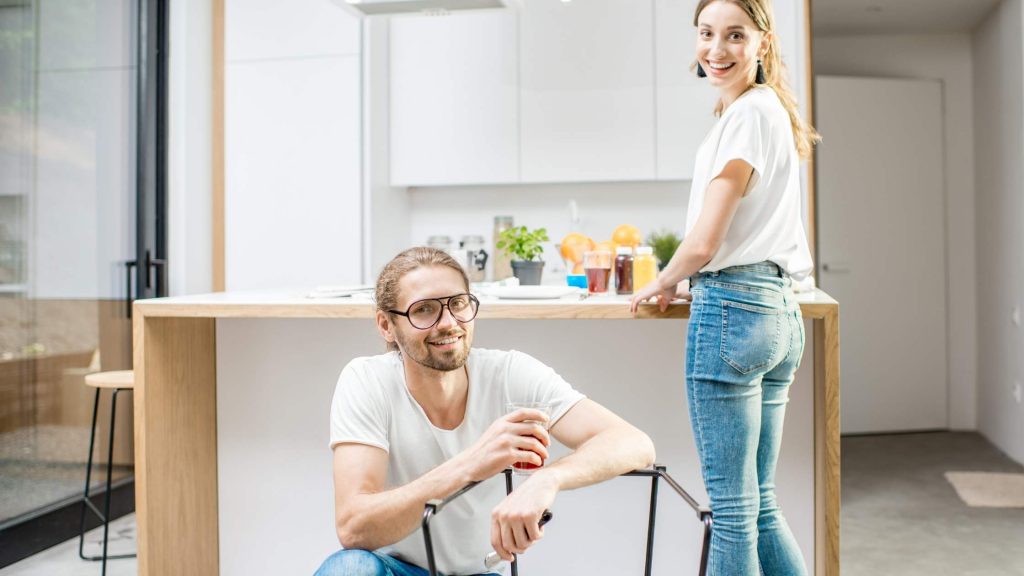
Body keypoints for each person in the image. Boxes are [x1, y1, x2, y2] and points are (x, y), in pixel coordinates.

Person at [315, 247, 655, 576]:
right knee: (350, 569)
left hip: (479, 572)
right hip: (394, 570)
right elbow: (353, 527)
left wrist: (547, 480)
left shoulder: (510, 374)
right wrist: (471, 463)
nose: (448, 322)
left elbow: (633, 443)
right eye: (424, 310)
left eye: (458, 304)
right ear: (387, 325)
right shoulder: (367, 381)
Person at [629, 1, 820, 575]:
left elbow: (705, 242)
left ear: (762, 42)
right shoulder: (762, 111)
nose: (716, 49)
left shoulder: (746, 117)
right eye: (706, 33)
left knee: (734, 513)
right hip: (776, 311)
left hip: (735, 312)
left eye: (734, 35)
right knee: (759, 505)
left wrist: (662, 282)